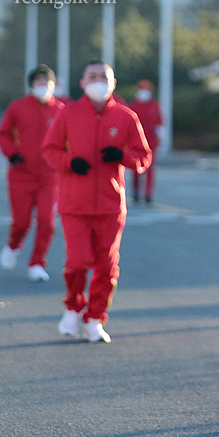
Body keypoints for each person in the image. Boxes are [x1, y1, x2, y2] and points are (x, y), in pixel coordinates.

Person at [42, 59, 152, 343]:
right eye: (92, 76)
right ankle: (74, 307)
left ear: (113, 82)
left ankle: (94, 319)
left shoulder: (127, 117)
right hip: (74, 204)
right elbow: (50, 150)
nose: (98, 81)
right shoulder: (68, 114)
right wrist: (69, 162)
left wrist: (123, 157)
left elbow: (144, 156)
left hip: (111, 205)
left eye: (103, 76)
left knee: (106, 267)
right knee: (77, 262)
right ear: (82, 83)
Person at [0, 64, 65, 282]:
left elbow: (72, 140)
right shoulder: (18, 108)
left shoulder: (61, 110)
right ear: (31, 85)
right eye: (39, 83)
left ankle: (36, 263)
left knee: (47, 222)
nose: (43, 87)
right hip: (21, 174)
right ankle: (14, 244)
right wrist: (12, 153)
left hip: (50, 177)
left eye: (47, 83)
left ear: (54, 85)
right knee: (22, 222)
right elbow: (3, 133)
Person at [127, 79, 164, 203]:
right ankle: (136, 191)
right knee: (136, 167)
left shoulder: (155, 105)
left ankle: (148, 193)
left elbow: (159, 122)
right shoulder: (134, 106)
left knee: (150, 168)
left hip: (151, 142)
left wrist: (160, 135)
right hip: (136, 142)